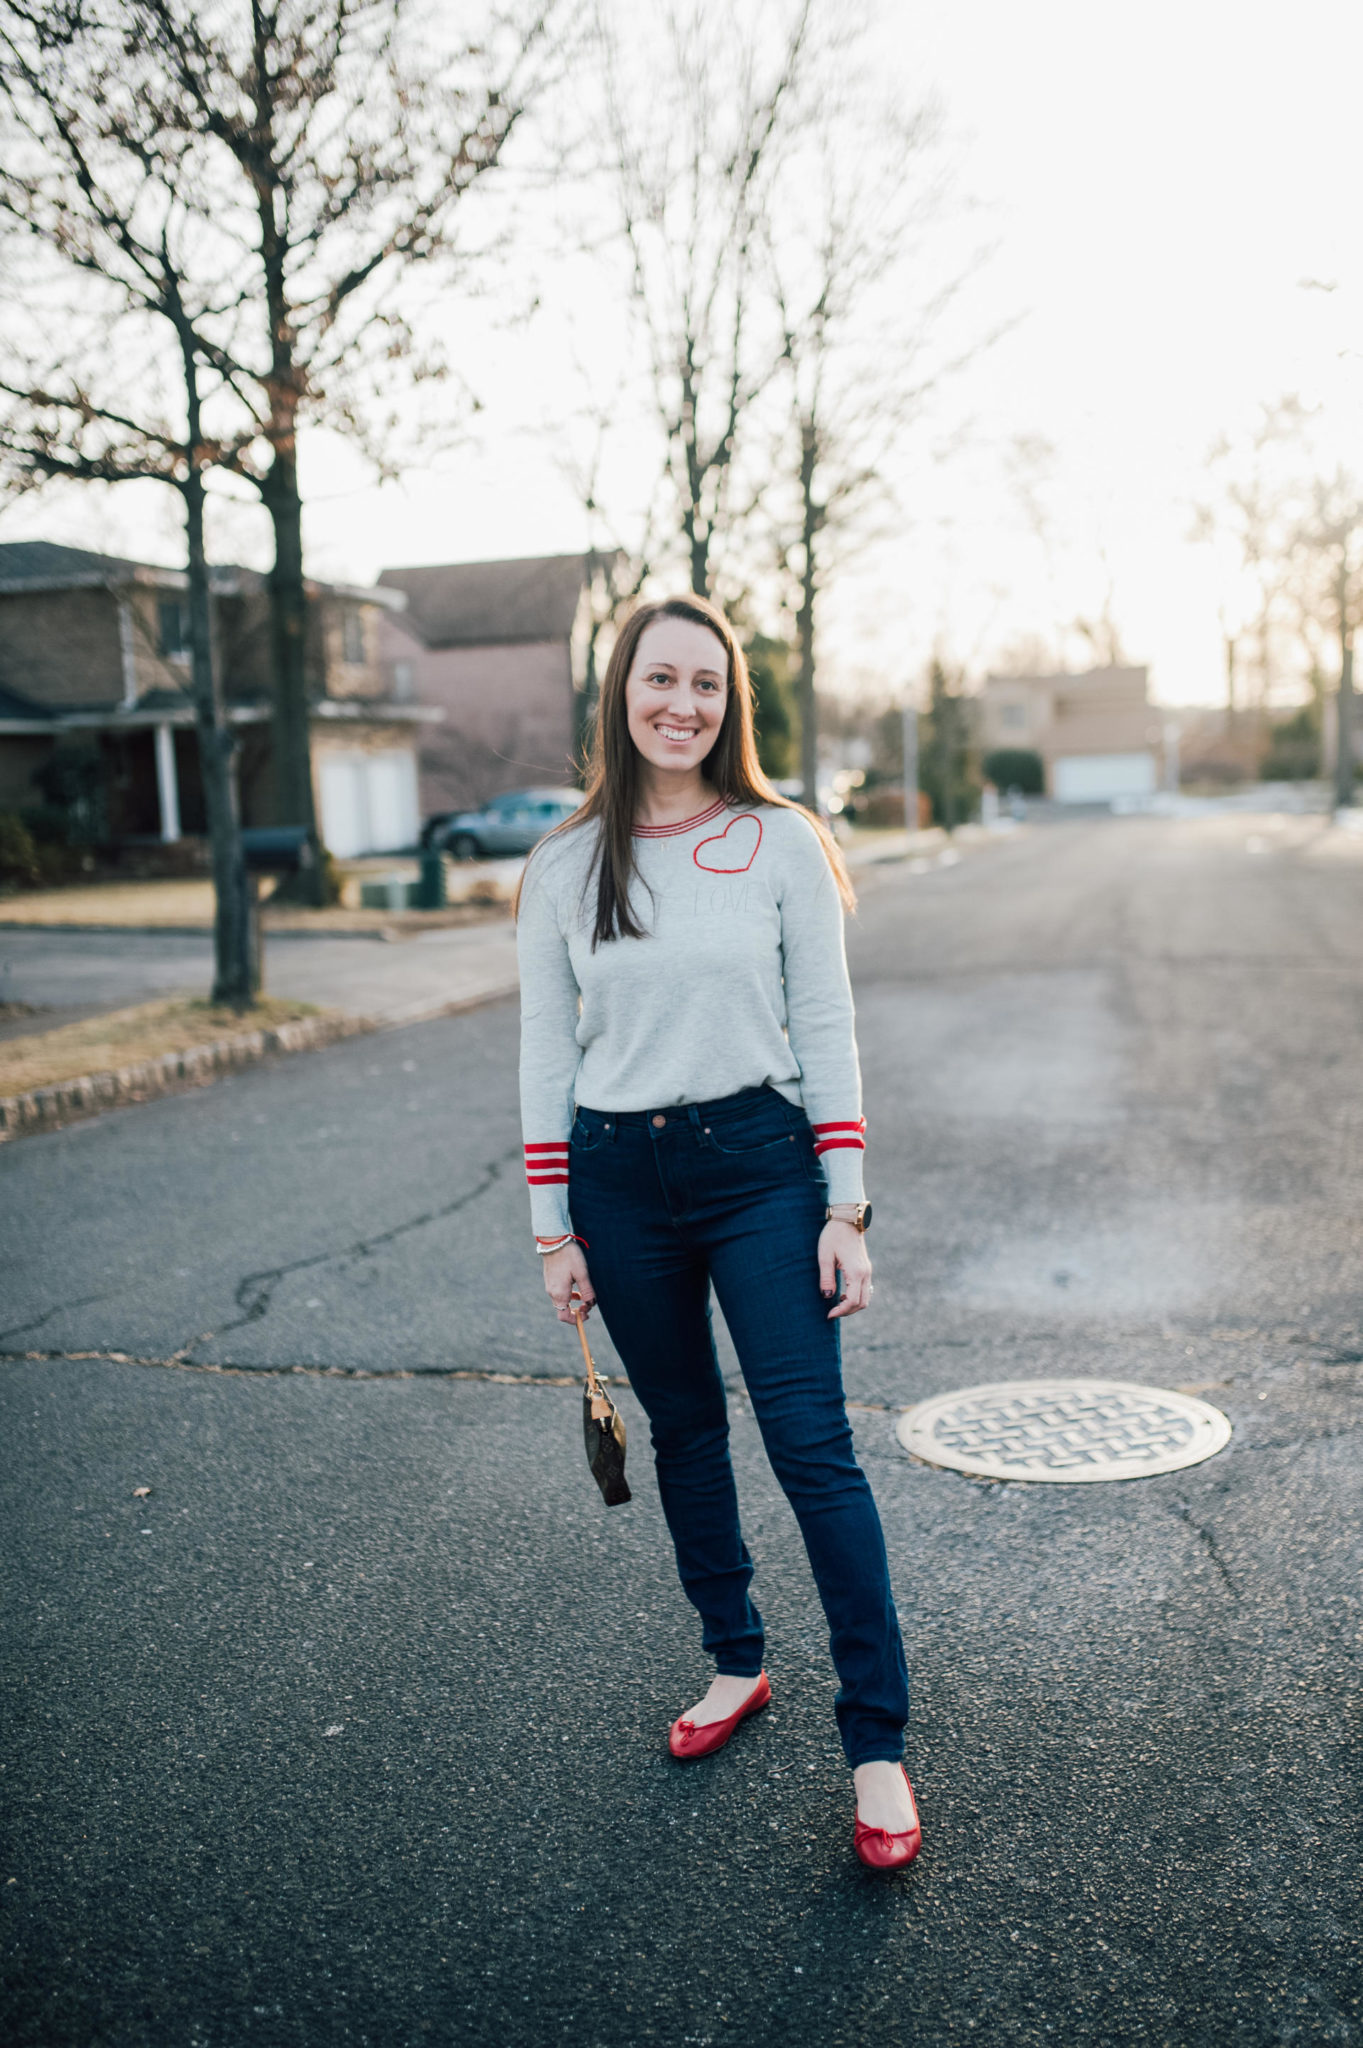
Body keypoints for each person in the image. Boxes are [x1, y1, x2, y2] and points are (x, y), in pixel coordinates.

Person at [514, 594, 919, 1870]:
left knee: (808, 1442)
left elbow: (827, 1020)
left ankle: (875, 1740)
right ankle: (733, 1660)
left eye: (704, 682)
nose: (680, 704)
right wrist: (551, 1227)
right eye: (657, 680)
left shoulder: (778, 837)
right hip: (616, 1175)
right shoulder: (564, 860)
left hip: (758, 1164)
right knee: (686, 1429)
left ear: (729, 699)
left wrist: (843, 1204)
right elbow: (542, 1041)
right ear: (619, 694)